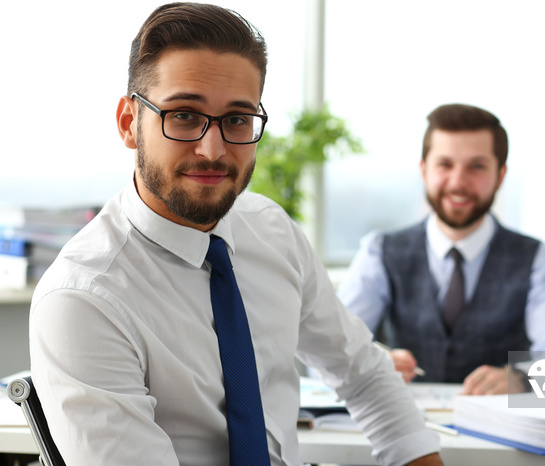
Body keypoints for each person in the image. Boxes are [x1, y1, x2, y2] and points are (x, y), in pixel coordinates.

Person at [28, 3, 442, 465]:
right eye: (184, 115)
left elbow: (364, 374)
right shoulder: (83, 299)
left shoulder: (271, 230)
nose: (213, 149)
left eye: (237, 119)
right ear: (129, 123)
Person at [338, 103, 545, 395]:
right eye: (445, 165)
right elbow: (329, 349)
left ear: (501, 175)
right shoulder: (379, 251)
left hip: (500, 433)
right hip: (400, 426)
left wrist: (522, 379)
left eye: (476, 167)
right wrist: (367, 363)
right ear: (423, 170)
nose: (458, 183)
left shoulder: (540, 261)